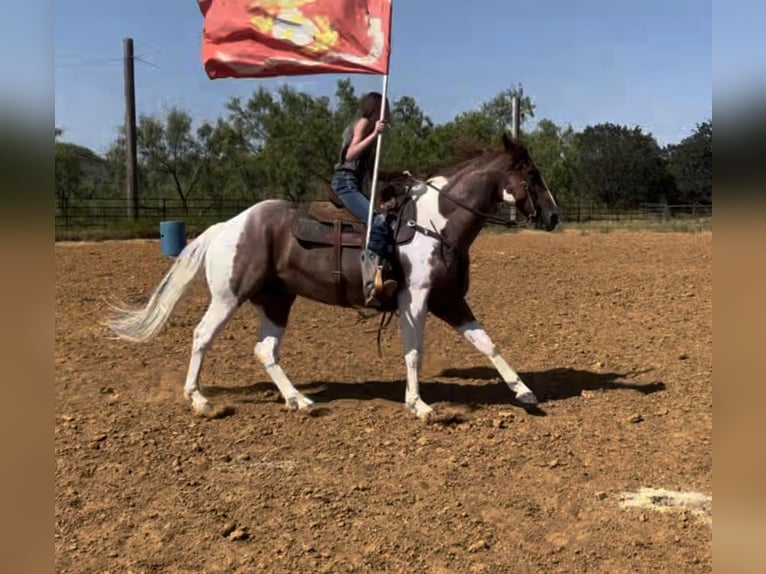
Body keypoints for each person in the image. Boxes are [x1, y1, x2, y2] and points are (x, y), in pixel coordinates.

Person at [331, 92, 398, 307]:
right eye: (385, 108)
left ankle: (386, 273)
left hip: (355, 184)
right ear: (376, 108)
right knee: (377, 222)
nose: (389, 112)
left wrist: (400, 177)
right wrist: (374, 135)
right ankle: (370, 285)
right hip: (345, 183)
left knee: (387, 220)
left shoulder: (372, 133)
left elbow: (372, 172)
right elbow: (350, 155)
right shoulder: (362, 123)